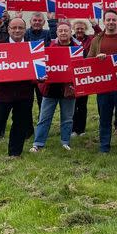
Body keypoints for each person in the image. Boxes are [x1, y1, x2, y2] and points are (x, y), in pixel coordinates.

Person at [0, 18, 37, 158]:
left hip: (25, 93)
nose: (17, 30)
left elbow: (38, 70)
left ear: (25, 29)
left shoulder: (33, 48)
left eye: (20, 28)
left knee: (20, 124)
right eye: (14, 28)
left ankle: (15, 153)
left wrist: (40, 77)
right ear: (8, 29)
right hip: (3, 93)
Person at [30, 22, 79, 152]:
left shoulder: (77, 49)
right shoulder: (49, 47)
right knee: (44, 118)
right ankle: (38, 143)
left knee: (67, 118)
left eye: (66, 31)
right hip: (50, 89)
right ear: (56, 33)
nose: (63, 33)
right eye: (60, 31)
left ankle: (65, 142)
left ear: (70, 32)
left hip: (69, 90)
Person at [87, 9, 117, 153]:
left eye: (113, 20)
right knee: (104, 117)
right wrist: (97, 59)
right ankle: (104, 147)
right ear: (104, 21)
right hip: (103, 85)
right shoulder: (96, 39)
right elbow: (88, 60)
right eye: (108, 20)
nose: (111, 22)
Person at [70, 19, 96, 137]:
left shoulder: (90, 39)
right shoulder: (70, 39)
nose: (79, 30)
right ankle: (72, 129)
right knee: (72, 104)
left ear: (85, 29)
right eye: (77, 28)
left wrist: (94, 24)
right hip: (71, 75)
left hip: (85, 75)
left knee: (82, 104)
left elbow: (99, 34)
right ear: (74, 29)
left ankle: (81, 129)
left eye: (82, 28)